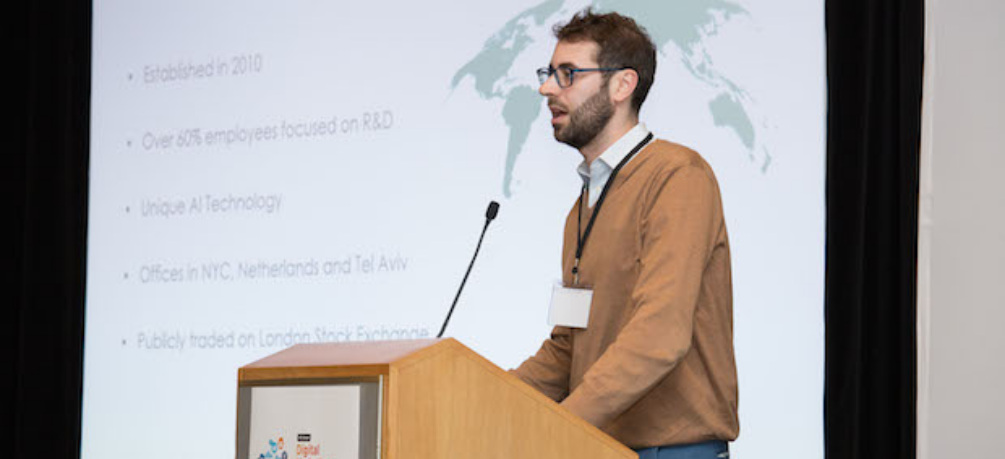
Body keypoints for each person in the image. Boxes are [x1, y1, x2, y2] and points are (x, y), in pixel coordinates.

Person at [511, 9, 739, 459]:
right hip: (600, 447)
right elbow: (568, 348)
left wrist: (557, 428)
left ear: (622, 85)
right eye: (548, 74)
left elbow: (660, 335)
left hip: (670, 452)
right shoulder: (583, 205)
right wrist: (486, 395)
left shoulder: (677, 176)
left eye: (568, 74)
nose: (546, 88)